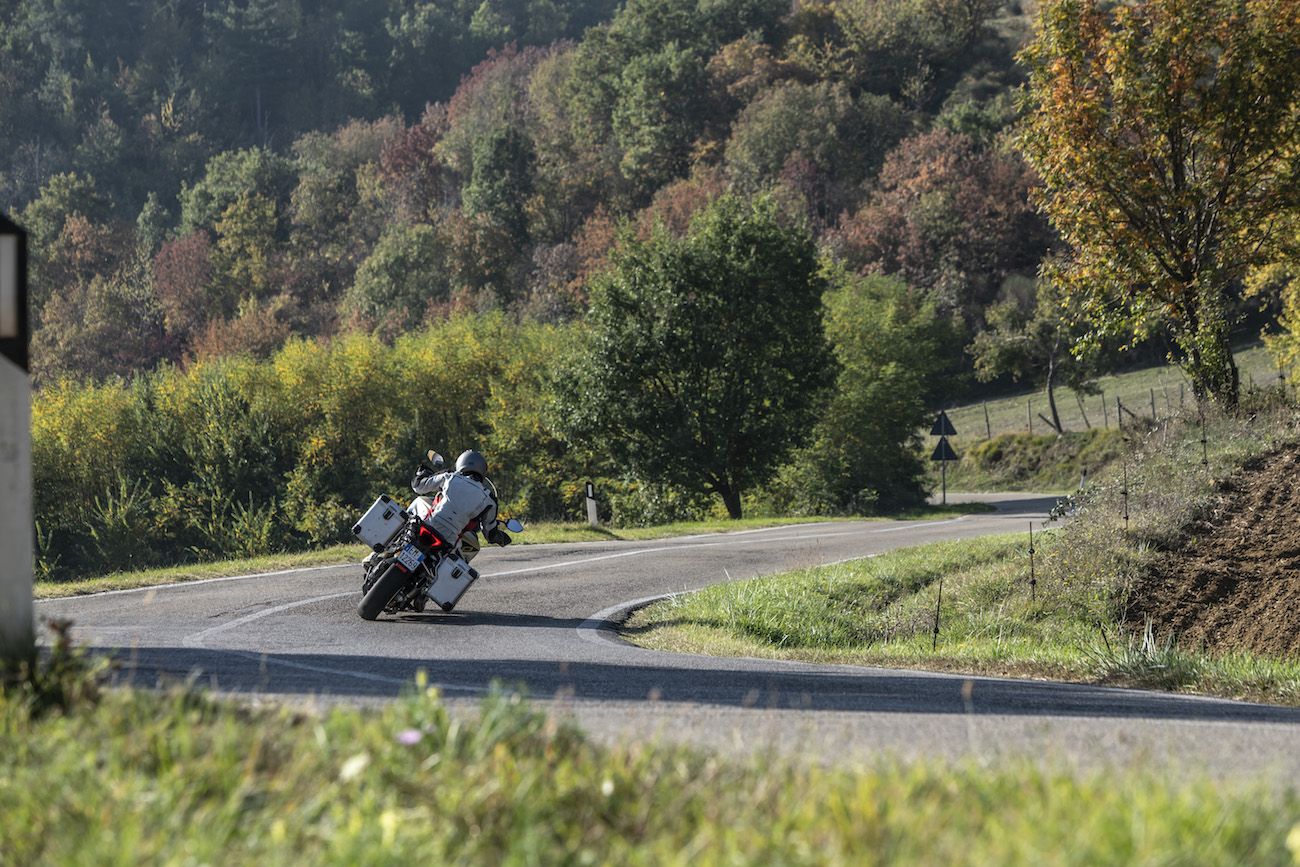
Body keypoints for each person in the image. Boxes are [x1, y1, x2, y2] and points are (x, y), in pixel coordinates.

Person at [411, 449, 512, 561]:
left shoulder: (450, 476)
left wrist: (422, 474)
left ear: (460, 463)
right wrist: (501, 538)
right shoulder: (489, 499)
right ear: (483, 470)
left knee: (407, 524)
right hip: (449, 539)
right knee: (459, 565)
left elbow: (419, 487)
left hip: (430, 523)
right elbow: (490, 533)